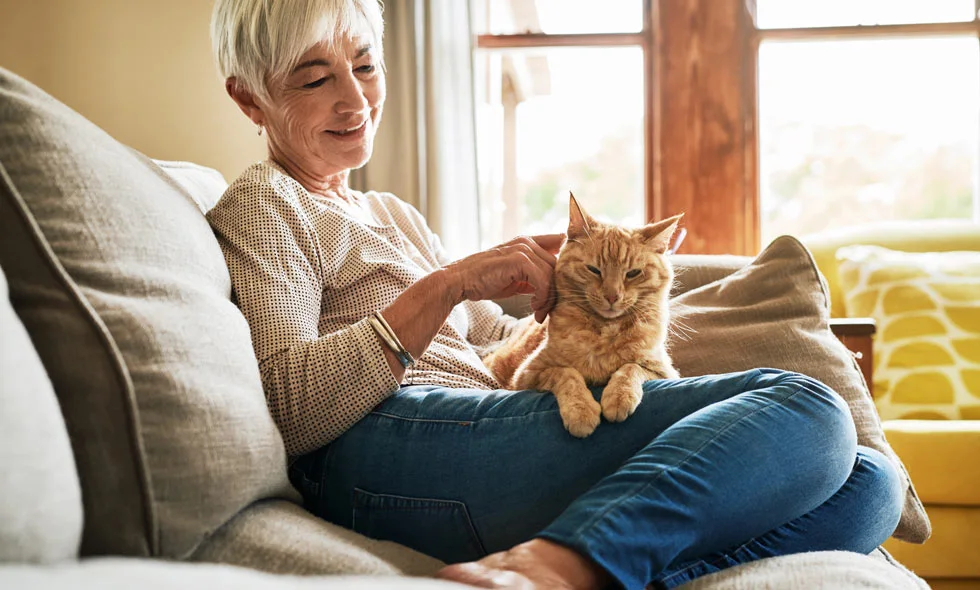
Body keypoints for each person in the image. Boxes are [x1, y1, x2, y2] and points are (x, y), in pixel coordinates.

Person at [206, 1, 904, 588]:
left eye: (364, 65)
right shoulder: (265, 204)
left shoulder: (391, 213)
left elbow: (492, 350)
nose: (355, 99)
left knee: (869, 483)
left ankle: (602, 560)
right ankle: (558, 564)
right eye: (315, 79)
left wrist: (570, 299)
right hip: (388, 451)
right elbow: (291, 410)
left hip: (486, 425)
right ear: (249, 98)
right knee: (807, 408)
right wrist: (450, 282)